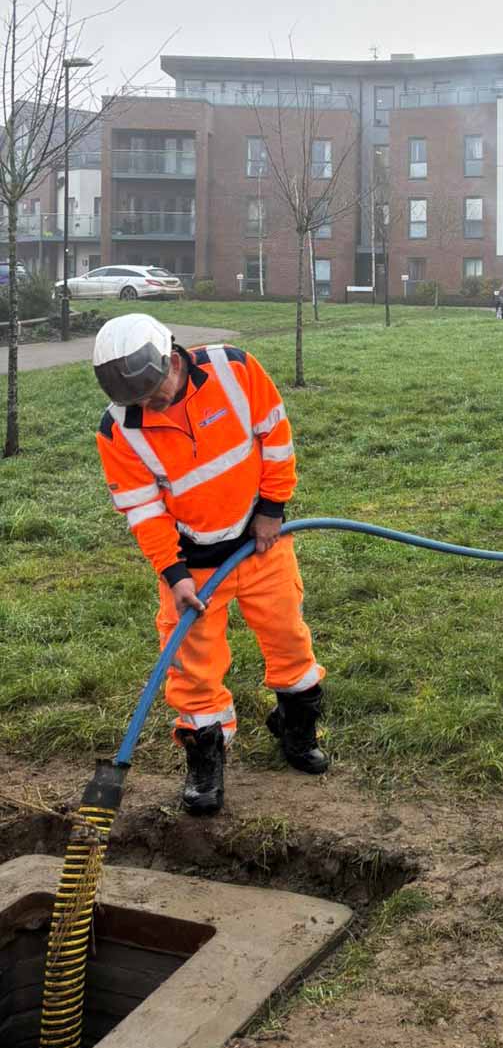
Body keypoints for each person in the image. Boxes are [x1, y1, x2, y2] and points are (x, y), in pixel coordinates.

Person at [93, 314, 327, 816]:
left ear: (174, 358)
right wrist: (174, 576)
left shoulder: (235, 369)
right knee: (193, 669)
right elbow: (144, 510)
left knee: (288, 637)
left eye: (156, 393)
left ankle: (297, 729)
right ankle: (205, 762)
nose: (150, 406)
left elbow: (276, 437)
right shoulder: (119, 430)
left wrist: (272, 508)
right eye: (138, 401)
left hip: (260, 543)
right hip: (193, 566)